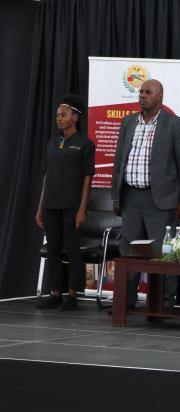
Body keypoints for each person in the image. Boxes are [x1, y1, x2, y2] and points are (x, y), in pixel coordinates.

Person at [111, 79, 180, 308]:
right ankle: (125, 303)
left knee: (163, 254)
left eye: (148, 92)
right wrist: (116, 196)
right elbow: (119, 161)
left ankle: (163, 305)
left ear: (160, 97)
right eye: (140, 91)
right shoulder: (128, 122)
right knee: (129, 253)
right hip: (131, 198)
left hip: (161, 200)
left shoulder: (174, 124)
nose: (142, 95)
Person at [35, 95, 95, 310]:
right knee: (52, 249)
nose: (59, 118)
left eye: (64, 115)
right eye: (57, 115)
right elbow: (46, 176)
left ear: (75, 117)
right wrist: (40, 207)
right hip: (51, 204)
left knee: (71, 249)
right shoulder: (53, 142)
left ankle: (72, 295)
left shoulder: (85, 144)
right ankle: (55, 293)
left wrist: (82, 209)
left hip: (71, 205)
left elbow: (88, 177)